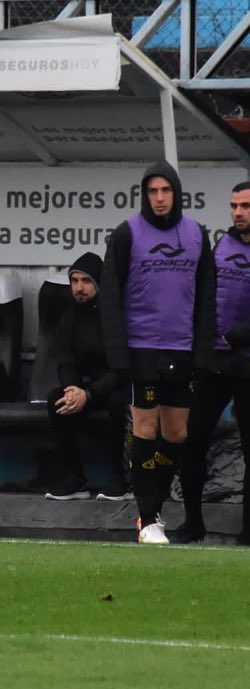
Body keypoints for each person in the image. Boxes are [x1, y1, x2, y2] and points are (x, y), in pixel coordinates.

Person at [100, 161, 215, 545]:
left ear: (176, 193)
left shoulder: (197, 235)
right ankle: (147, 518)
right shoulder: (126, 233)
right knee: (145, 429)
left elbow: (207, 299)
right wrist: (118, 356)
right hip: (142, 349)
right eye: (153, 191)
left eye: (166, 191)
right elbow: (110, 297)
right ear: (144, 195)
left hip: (182, 350)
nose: (160, 198)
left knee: (176, 433)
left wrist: (202, 353)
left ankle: (155, 507)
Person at [170, 181, 250, 544]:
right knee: (191, 440)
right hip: (214, 363)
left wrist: (239, 334)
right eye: (234, 205)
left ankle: (248, 531)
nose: (238, 212)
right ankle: (193, 523)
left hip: (246, 365)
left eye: (245, 206)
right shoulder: (222, 246)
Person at [44, 251, 132, 502]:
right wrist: (72, 389)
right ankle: (74, 478)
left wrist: (89, 393)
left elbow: (123, 367)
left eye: (86, 281)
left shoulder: (115, 313)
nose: (79, 288)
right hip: (87, 386)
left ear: (98, 283)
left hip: (118, 384)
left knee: (118, 404)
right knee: (58, 401)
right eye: (74, 281)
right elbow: (65, 359)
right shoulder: (70, 313)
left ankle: (120, 478)